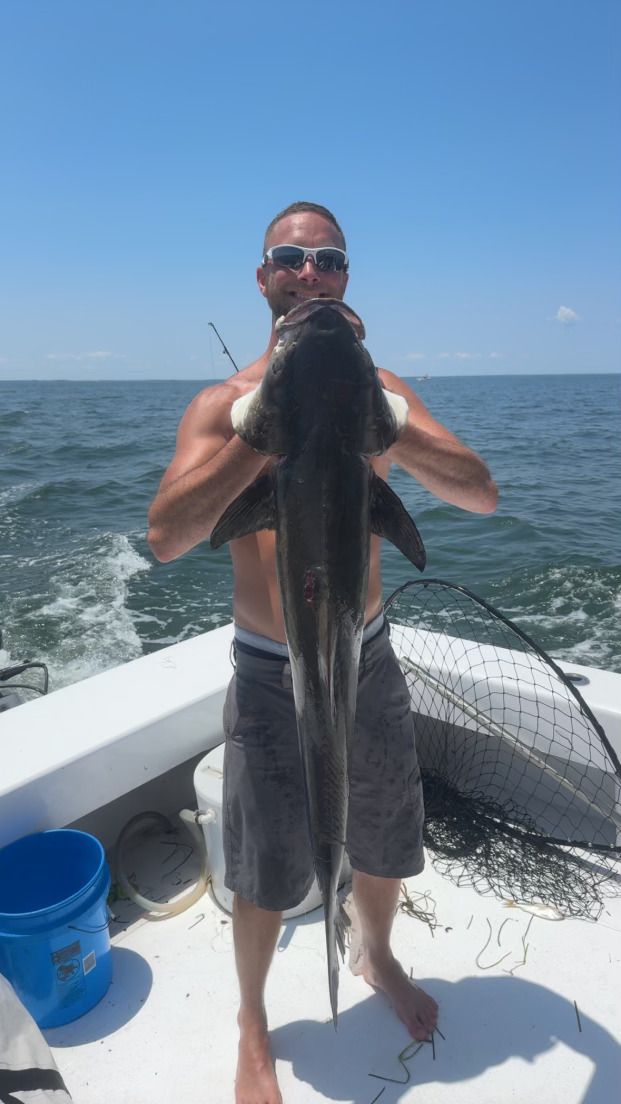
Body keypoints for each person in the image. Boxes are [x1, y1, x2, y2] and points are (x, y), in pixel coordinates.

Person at [147, 201, 498, 1104]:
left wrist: (385, 421)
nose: (310, 271)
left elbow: (481, 496)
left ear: (346, 280)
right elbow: (168, 536)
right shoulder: (218, 408)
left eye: (329, 259)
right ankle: (253, 1022)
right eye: (291, 258)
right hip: (270, 671)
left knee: (382, 830)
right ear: (262, 278)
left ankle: (372, 953)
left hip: (367, 655)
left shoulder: (387, 394)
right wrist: (261, 436)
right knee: (266, 862)